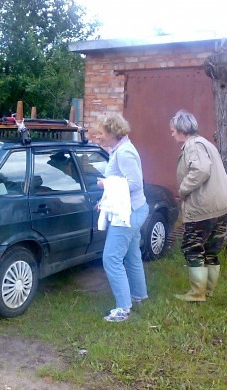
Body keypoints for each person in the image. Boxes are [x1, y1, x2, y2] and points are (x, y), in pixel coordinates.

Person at [170, 109, 227, 302]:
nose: (171, 133)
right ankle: (209, 290)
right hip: (222, 205)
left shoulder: (193, 146)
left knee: (193, 246)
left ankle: (197, 293)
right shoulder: (206, 143)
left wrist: (182, 190)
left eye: (173, 129)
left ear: (182, 129)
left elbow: (201, 170)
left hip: (204, 207)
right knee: (211, 248)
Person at [96, 113, 149, 322]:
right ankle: (139, 296)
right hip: (132, 209)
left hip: (129, 213)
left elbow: (135, 184)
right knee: (132, 254)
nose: (98, 137)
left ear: (112, 132)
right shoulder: (119, 149)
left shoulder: (124, 153)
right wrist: (104, 200)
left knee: (111, 257)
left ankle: (123, 309)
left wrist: (105, 184)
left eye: (101, 133)